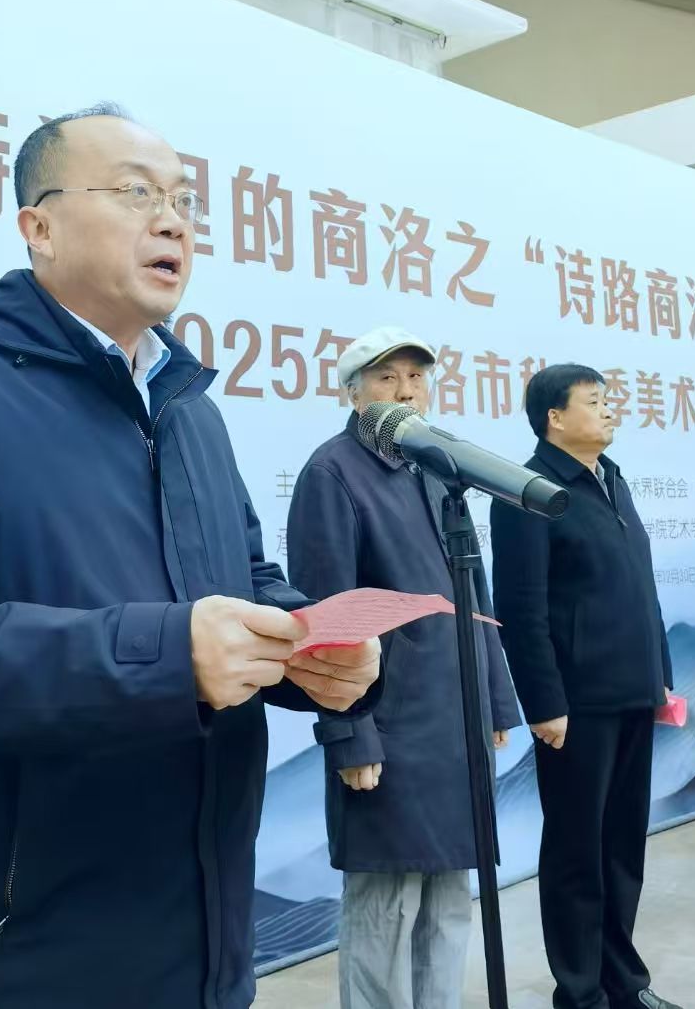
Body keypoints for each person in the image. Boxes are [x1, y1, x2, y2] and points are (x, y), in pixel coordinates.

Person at [0, 104, 381, 1009]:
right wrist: (170, 656)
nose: (172, 222)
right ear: (38, 227)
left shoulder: (190, 411)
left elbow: (243, 580)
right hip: (26, 958)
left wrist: (307, 648)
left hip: (207, 938)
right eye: (135, 193)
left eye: (183, 202)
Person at [286, 325, 520, 1009]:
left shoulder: (437, 467)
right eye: (387, 377)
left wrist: (494, 700)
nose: (406, 390)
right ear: (353, 393)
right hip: (390, 728)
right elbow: (325, 619)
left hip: (455, 726)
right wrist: (350, 735)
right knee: (387, 906)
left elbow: (474, 597)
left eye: (417, 377)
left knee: (449, 901)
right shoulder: (332, 473)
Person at [491, 364, 681, 1009]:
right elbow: (521, 608)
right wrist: (544, 703)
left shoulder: (611, 479)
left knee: (622, 847)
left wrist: (660, 677)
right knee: (577, 852)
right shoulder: (528, 491)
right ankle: (579, 993)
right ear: (554, 417)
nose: (608, 410)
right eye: (594, 401)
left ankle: (624, 983)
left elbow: (642, 587)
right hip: (577, 705)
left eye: (608, 399)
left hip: (633, 691)